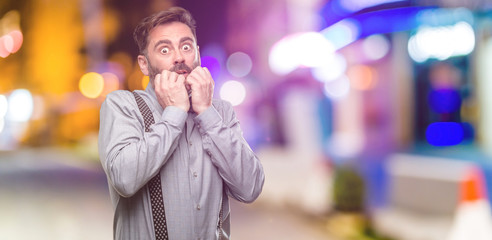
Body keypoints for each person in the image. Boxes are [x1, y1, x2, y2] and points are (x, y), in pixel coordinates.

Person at [98, 7, 265, 240]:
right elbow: (124, 180)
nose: (179, 57)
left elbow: (250, 188)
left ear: (196, 54)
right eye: (164, 49)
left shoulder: (221, 112)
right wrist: (174, 113)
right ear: (144, 64)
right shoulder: (123, 105)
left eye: (186, 47)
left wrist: (206, 112)